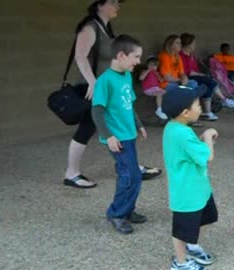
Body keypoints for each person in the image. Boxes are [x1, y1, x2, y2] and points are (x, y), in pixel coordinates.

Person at [64, 0, 161, 189]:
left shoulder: (106, 28)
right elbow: (80, 56)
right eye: (113, 2)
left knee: (116, 124)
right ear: (99, 4)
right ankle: (72, 173)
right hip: (92, 87)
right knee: (88, 127)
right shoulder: (90, 27)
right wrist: (94, 82)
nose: (118, 5)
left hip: (106, 86)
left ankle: (128, 165)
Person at [91, 34, 147, 234]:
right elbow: (96, 110)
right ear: (121, 55)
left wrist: (138, 124)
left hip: (128, 134)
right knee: (129, 175)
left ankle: (127, 209)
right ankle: (116, 213)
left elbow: (129, 105)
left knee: (133, 175)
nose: (139, 62)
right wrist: (108, 136)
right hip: (117, 138)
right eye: (136, 57)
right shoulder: (105, 80)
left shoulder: (127, 76)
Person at [162, 86, 219, 270]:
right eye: (197, 105)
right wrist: (209, 136)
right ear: (185, 112)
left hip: (196, 190)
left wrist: (201, 140)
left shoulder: (174, 127)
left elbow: (191, 151)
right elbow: (208, 156)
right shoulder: (183, 133)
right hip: (187, 194)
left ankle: (191, 246)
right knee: (181, 231)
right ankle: (180, 262)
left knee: (200, 220)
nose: (201, 107)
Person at [179, 33, 234, 111]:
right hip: (186, 77)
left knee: (208, 85)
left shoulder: (191, 55)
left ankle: (208, 112)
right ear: (188, 44)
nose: (194, 45)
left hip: (195, 76)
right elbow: (187, 72)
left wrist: (202, 73)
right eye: (193, 43)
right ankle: (224, 99)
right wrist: (201, 74)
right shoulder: (181, 55)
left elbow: (196, 69)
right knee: (208, 80)